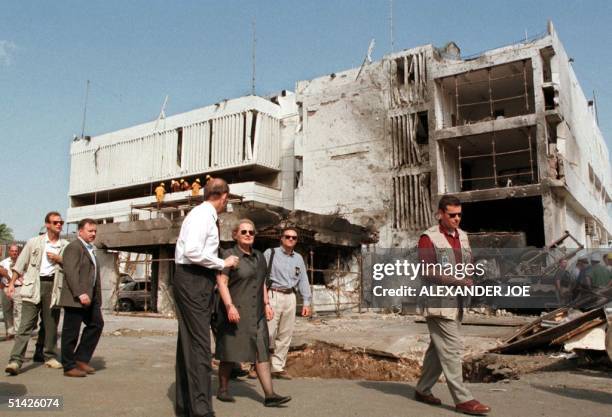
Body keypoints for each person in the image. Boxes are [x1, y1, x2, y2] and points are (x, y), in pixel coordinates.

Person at [415, 195, 490, 416]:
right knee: (452, 347)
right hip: (438, 302)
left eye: (459, 215)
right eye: (452, 215)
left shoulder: (464, 237)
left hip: (457, 302)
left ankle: (422, 389)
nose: (457, 219)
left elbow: (468, 265)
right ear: (440, 214)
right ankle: (463, 399)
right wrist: (458, 280)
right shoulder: (428, 238)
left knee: (438, 350)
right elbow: (427, 271)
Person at [173, 177, 239, 417]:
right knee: (200, 346)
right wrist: (224, 262)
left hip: (193, 278)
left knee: (188, 345)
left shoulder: (201, 214)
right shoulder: (203, 216)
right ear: (223, 197)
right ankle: (201, 410)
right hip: (193, 278)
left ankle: (186, 406)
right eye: (226, 200)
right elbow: (192, 251)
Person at [215, 219, 291, 407]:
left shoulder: (259, 257)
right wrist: (229, 306)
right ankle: (223, 389)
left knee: (261, 351)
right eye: (244, 232)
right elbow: (221, 283)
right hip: (235, 310)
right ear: (235, 235)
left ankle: (270, 394)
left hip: (256, 313)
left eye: (251, 232)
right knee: (229, 351)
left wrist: (266, 304)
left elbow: (262, 282)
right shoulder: (228, 255)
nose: (248, 235)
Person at [5, 212, 69, 375]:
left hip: (53, 286)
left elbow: (71, 265)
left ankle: (49, 356)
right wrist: (11, 283)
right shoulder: (34, 242)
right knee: (26, 324)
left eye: (61, 222)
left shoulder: (65, 245)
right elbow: (20, 264)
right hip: (33, 285)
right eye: (55, 222)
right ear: (47, 224)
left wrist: (60, 259)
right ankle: (15, 360)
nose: (59, 225)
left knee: (51, 325)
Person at [264, 226, 311, 379]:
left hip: (290, 296)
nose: (291, 239)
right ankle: (258, 364)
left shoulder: (298, 258)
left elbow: (303, 279)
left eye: (294, 237)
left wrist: (306, 302)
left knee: (285, 334)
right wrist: (264, 302)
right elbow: (260, 278)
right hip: (273, 294)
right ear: (281, 238)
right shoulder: (270, 253)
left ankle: (277, 367)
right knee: (268, 332)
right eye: (288, 236)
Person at [59, 219, 104, 377]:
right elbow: (70, 272)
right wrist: (79, 293)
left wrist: (96, 296)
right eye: (90, 231)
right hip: (76, 297)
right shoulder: (74, 247)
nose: (93, 234)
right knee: (71, 332)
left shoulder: (90, 248)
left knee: (96, 324)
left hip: (90, 297)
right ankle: (69, 366)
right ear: (80, 231)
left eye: (95, 231)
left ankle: (81, 358)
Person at [0, 244, 20, 339]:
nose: (14, 253)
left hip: (18, 288)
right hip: (6, 288)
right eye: (12, 251)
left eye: (16, 251)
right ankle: (10, 331)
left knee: (18, 310)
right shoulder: (4, 262)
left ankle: (17, 332)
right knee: (7, 310)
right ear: (9, 252)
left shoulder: (21, 261)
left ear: (18, 252)